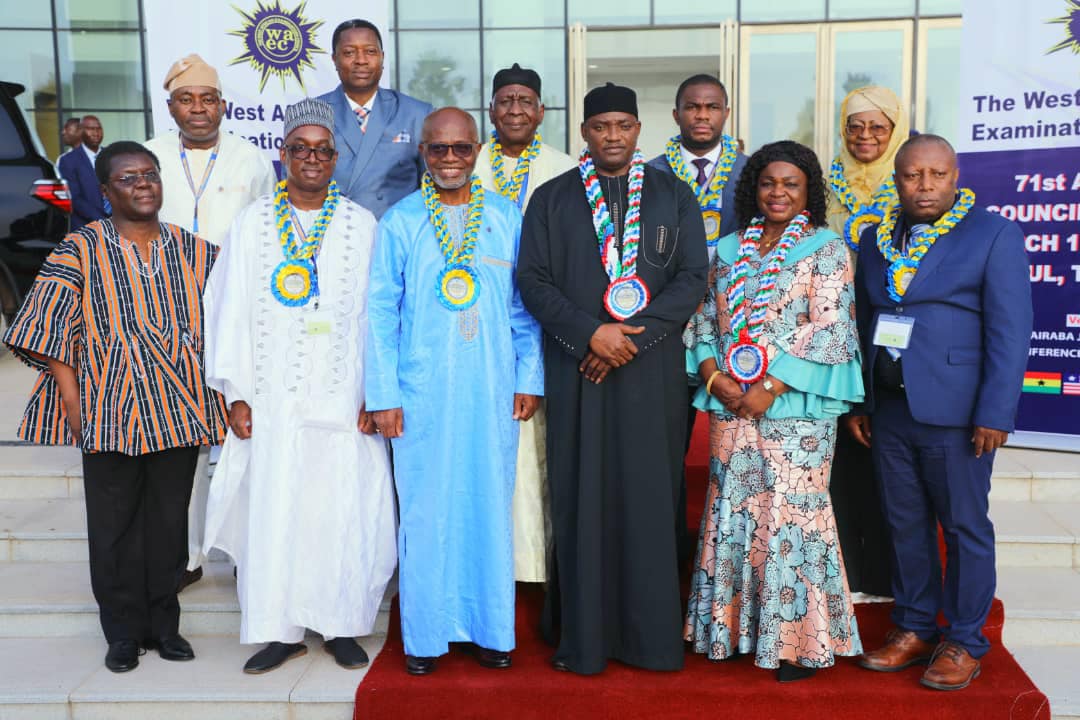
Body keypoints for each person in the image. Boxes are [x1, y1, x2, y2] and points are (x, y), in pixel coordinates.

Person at [3, 141, 226, 673]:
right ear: (105, 192)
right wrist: (73, 399)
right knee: (113, 527)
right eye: (127, 178)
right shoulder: (79, 249)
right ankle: (122, 633)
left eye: (149, 174)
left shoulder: (197, 250)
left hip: (179, 408)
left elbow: (229, 324)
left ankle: (164, 626)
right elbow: (45, 326)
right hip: (108, 409)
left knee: (168, 524)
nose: (143, 183)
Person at [516, 83, 707, 675]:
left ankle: (651, 639)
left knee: (651, 497)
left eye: (624, 125)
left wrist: (629, 338)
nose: (613, 136)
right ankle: (585, 637)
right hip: (579, 370)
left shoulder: (675, 195)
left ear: (639, 129)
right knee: (581, 493)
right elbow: (534, 281)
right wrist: (590, 334)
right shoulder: (551, 198)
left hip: (651, 373)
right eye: (601, 127)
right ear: (584, 133)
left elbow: (692, 276)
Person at [201, 98, 396, 674]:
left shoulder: (361, 225)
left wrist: (374, 393)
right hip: (271, 399)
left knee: (340, 507)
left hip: (343, 399)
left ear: (336, 158)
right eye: (300, 149)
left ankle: (340, 624)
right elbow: (226, 307)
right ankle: (278, 629)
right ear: (282, 154)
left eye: (322, 150)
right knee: (274, 506)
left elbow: (379, 315)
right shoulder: (254, 222)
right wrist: (234, 391)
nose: (311, 158)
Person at [849, 134, 1032, 691]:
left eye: (936, 175)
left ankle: (965, 639)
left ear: (956, 177)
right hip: (892, 407)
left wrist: (995, 411)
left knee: (964, 526)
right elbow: (863, 322)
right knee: (904, 525)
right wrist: (861, 399)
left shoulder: (993, 234)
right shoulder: (875, 238)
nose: (924, 186)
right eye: (911, 175)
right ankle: (914, 627)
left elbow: (1010, 330)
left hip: (958, 413)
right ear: (897, 178)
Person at [365, 107, 544, 675]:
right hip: (419, 394)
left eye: (461, 148)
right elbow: (379, 313)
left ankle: (491, 630)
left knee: (487, 504)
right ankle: (426, 636)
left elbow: (525, 308)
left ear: (476, 150)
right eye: (438, 149)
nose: (449, 159)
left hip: (490, 389)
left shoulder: (505, 215)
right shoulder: (401, 221)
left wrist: (528, 377)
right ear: (423, 151)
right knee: (424, 509)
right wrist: (383, 394)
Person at [682, 140, 864, 682]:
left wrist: (771, 385)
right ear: (752, 188)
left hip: (795, 405)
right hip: (729, 404)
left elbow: (832, 327)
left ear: (808, 190)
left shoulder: (826, 248)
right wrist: (717, 379)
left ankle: (796, 643)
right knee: (733, 510)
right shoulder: (728, 249)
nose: (778, 192)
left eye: (791, 184)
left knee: (792, 514)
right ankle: (733, 632)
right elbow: (703, 323)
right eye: (768, 183)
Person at [145, 53, 278, 592]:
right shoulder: (148, 157)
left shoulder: (251, 160)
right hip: (164, 317)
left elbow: (273, 237)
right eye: (187, 99)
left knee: (241, 434)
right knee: (181, 444)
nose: (198, 109)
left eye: (208, 99)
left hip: (237, 316)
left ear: (223, 104)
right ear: (170, 105)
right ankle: (188, 554)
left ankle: (247, 549)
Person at [475, 62, 575, 584]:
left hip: (547, 324)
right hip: (477, 328)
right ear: (491, 110)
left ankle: (536, 566)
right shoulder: (468, 163)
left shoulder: (564, 168)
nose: (515, 109)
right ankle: (489, 563)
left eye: (525, 101)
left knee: (537, 448)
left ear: (540, 111)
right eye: (505, 100)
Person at [649, 73, 748, 562]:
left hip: (734, 334)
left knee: (735, 451)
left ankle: (726, 562)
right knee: (666, 447)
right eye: (692, 107)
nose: (702, 116)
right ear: (676, 115)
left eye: (712, 107)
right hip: (665, 329)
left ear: (725, 114)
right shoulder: (647, 173)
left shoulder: (752, 174)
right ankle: (666, 558)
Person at [825, 86, 910, 600]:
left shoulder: (909, 184)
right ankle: (848, 572)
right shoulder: (825, 183)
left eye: (878, 127)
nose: (865, 137)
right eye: (855, 126)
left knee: (883, 451)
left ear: (895, 129)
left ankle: (883, 574)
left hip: (889, 334)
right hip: (833, 329)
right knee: (838, 454)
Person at [317, 18, 432, 218]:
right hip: (333, 235)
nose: (361, 60)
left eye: (370, 51)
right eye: (349, 53)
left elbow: (432, 187)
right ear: (335, 60)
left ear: (382, 57)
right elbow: (295, 187)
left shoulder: (416, 113)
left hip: (397, 234)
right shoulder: (312, 113)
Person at [58, 115, 107, 230]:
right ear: (81, 132)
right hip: (86, 229)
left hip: (119, 227)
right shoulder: (68, 161)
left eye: (98, 128)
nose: (96, 133)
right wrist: (103, 221)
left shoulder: (112, 156)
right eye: (90, 129)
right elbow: (74, 198)